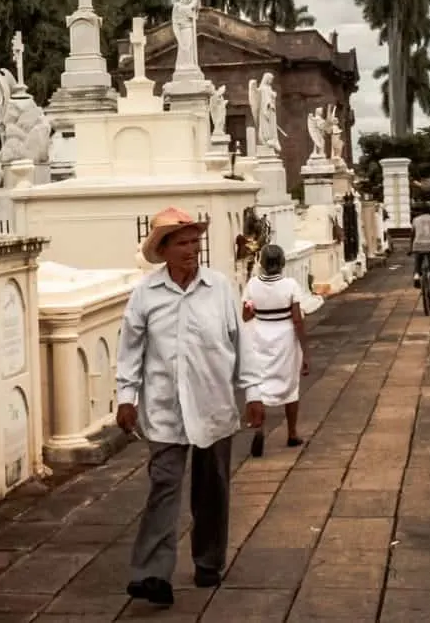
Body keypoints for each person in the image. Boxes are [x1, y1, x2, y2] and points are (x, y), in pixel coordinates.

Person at [116, 206, 264, 607]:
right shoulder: (145, 295)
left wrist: (252, 392)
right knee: (164, 487)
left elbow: (241, 344)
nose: (191, 249)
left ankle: (208, 560)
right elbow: (130, 351)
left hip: (213, 404)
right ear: (163, 249)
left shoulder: (219, 288)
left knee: (211, 490)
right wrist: (126, 398)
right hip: (164, 410)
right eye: (182, 242)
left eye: (195, 241)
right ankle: (150, 574)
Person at [241, 244, 309, 458]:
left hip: (260, 335)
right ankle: (292, 433)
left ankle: (260, 427)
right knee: (291, 386)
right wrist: (305, 350)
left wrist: (258, 311)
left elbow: (246, 315)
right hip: (285, 337)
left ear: (261, 263)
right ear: (282, 263)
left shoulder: (252, 285)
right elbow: (297, 319)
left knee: (259, 384)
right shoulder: (290, 285)